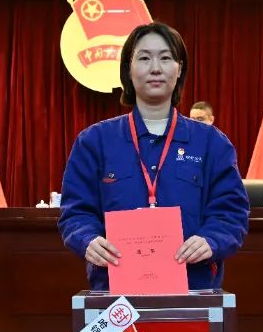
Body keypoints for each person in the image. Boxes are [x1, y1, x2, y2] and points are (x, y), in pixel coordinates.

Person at [59, 22, 248, 291]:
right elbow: (76, 212)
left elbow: (231, 211)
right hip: (115, 294)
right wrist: (87, 240)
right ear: (128, 69)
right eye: (145, 58)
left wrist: (211, 240)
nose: (155, 68)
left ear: (179, 69)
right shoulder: (94, 142)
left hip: (193, 289)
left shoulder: (212, 144)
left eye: (166, 58)